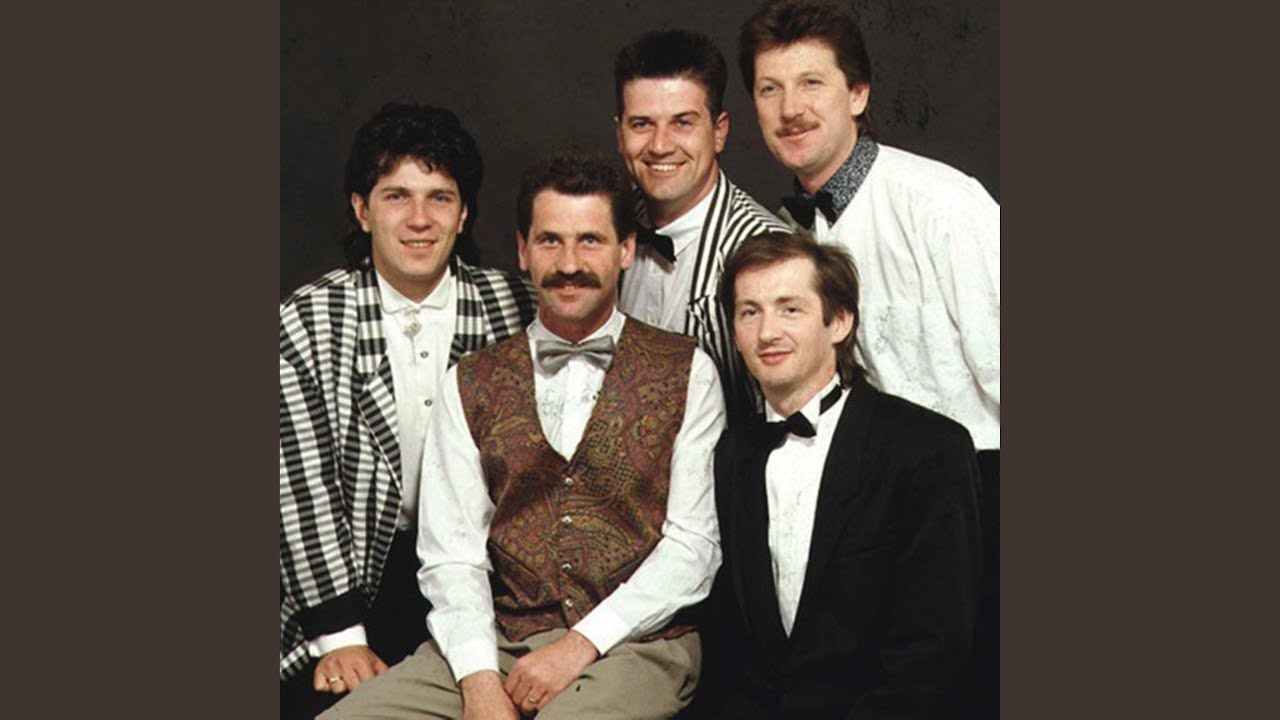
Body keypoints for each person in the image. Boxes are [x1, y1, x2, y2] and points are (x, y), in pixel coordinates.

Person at [322, 149, 725, 720]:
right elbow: (452, 558)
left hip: (639, 643)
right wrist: (479, 681)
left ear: (626, 249)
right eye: (550, 241)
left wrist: (579, 645)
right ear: (522, 250)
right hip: (499, 641)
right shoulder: (471, 381)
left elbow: (693, 548)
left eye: (590, 241)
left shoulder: (687, 370)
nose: (569, 263)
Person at [279, 102, 536, 720]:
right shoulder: (307, 320)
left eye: (440, 197)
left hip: (484, 582)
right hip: (349, 585)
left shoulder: (514, 305)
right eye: (396, 196)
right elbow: (300, 490)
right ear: (362, 210)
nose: (420, 219)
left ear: (464, 212)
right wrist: (341, 636)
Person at [691, 231, 981, 719]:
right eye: (749, 312)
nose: (767, 333)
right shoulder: (732, 453)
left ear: (840, 322)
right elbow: (732, 646)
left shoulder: (928, 450)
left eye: (790, 309)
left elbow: (933, 649)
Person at [613, 28, 790, 420]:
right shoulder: (607, 228)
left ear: (719, 132)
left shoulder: (768, 252)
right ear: (619, 134)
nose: (660, 145)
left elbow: (785, 425)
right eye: (642, 124)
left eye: (682, 123)